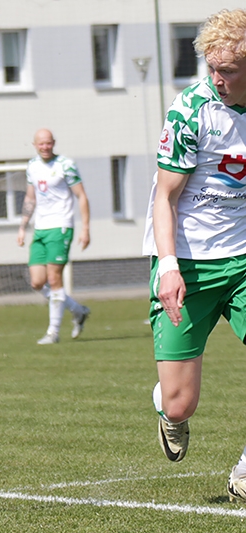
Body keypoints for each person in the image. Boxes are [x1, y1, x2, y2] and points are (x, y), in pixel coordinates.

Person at [143, 8, 246, 503]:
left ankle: (245, 472)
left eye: (227, 70)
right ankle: (169, 410)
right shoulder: (191, 110)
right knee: (182, 403)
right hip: (189, 260)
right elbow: (166, 198)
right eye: (212, 68)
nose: (217, 79)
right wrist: (167, 268)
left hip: (245, 259)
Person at [17, 129, 91, 344]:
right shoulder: (32, 166)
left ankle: (53, 333)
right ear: (34, 144)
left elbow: (81, 196)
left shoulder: (65, 165)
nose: (45, 147)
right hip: (40, 229)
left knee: (54, 279)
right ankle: (78, 310)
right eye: (41, 144)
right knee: (37, 282)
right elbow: (30, 198)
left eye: (49, 143)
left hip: (60, 227)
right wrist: (23, 226)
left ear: (54, 143)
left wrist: (85, 228)